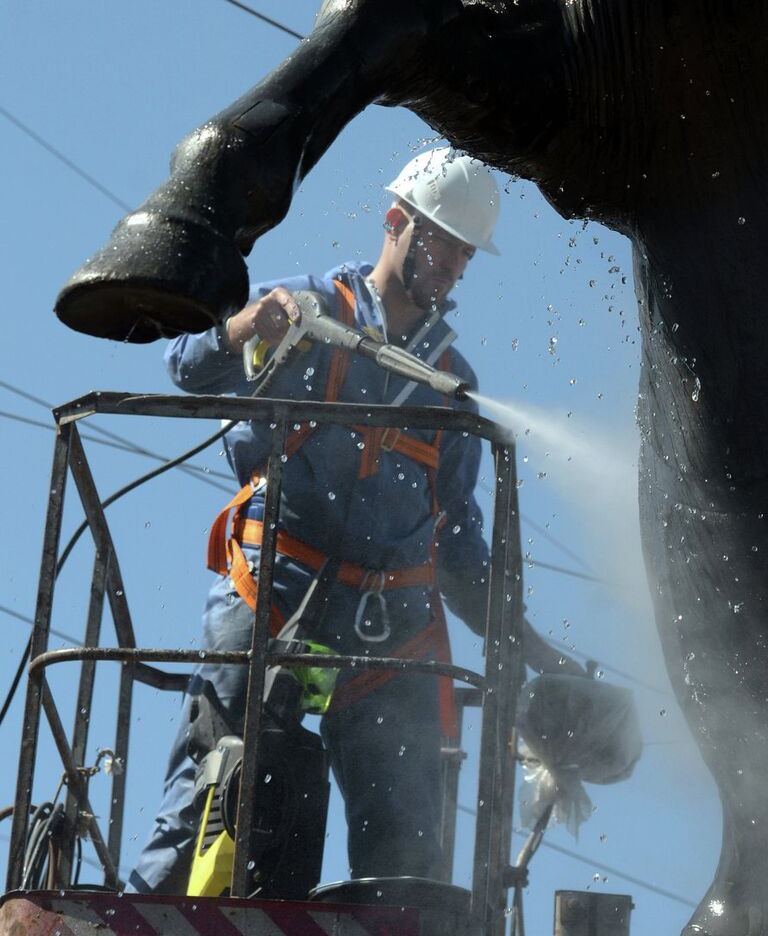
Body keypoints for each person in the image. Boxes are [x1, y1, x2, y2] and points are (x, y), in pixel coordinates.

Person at [126, 146, 578, 896]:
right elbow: (184, 365)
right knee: (209, 797)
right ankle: (147, 918)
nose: (454, 267)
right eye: (443, 243)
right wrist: (243, 327)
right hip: (272, 593)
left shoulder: (452, 387)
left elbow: (458, 547)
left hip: (382, 628)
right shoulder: (305, 310)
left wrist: (531, 647)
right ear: (397, 222)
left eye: (466, 255)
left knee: (408, 861)